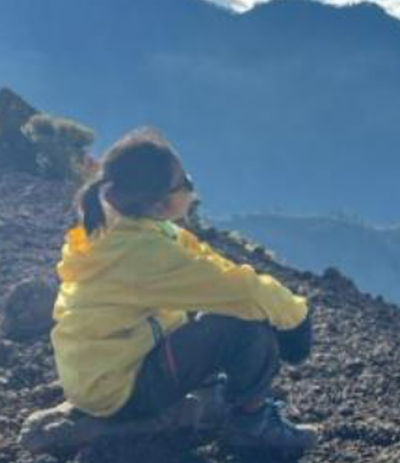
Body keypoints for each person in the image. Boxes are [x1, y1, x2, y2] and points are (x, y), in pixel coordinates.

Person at [51, 128, 316, 457]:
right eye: (185, 183)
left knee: (211, 302)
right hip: (120, 391)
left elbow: (203, 260)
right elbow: (243, 292)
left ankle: (204, 392)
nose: (192, 187)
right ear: (160, 203)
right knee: (246, 326)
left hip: (97, 374)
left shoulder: (110, 221)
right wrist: (296, 319)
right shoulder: (141, 252)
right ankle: (251, 426)